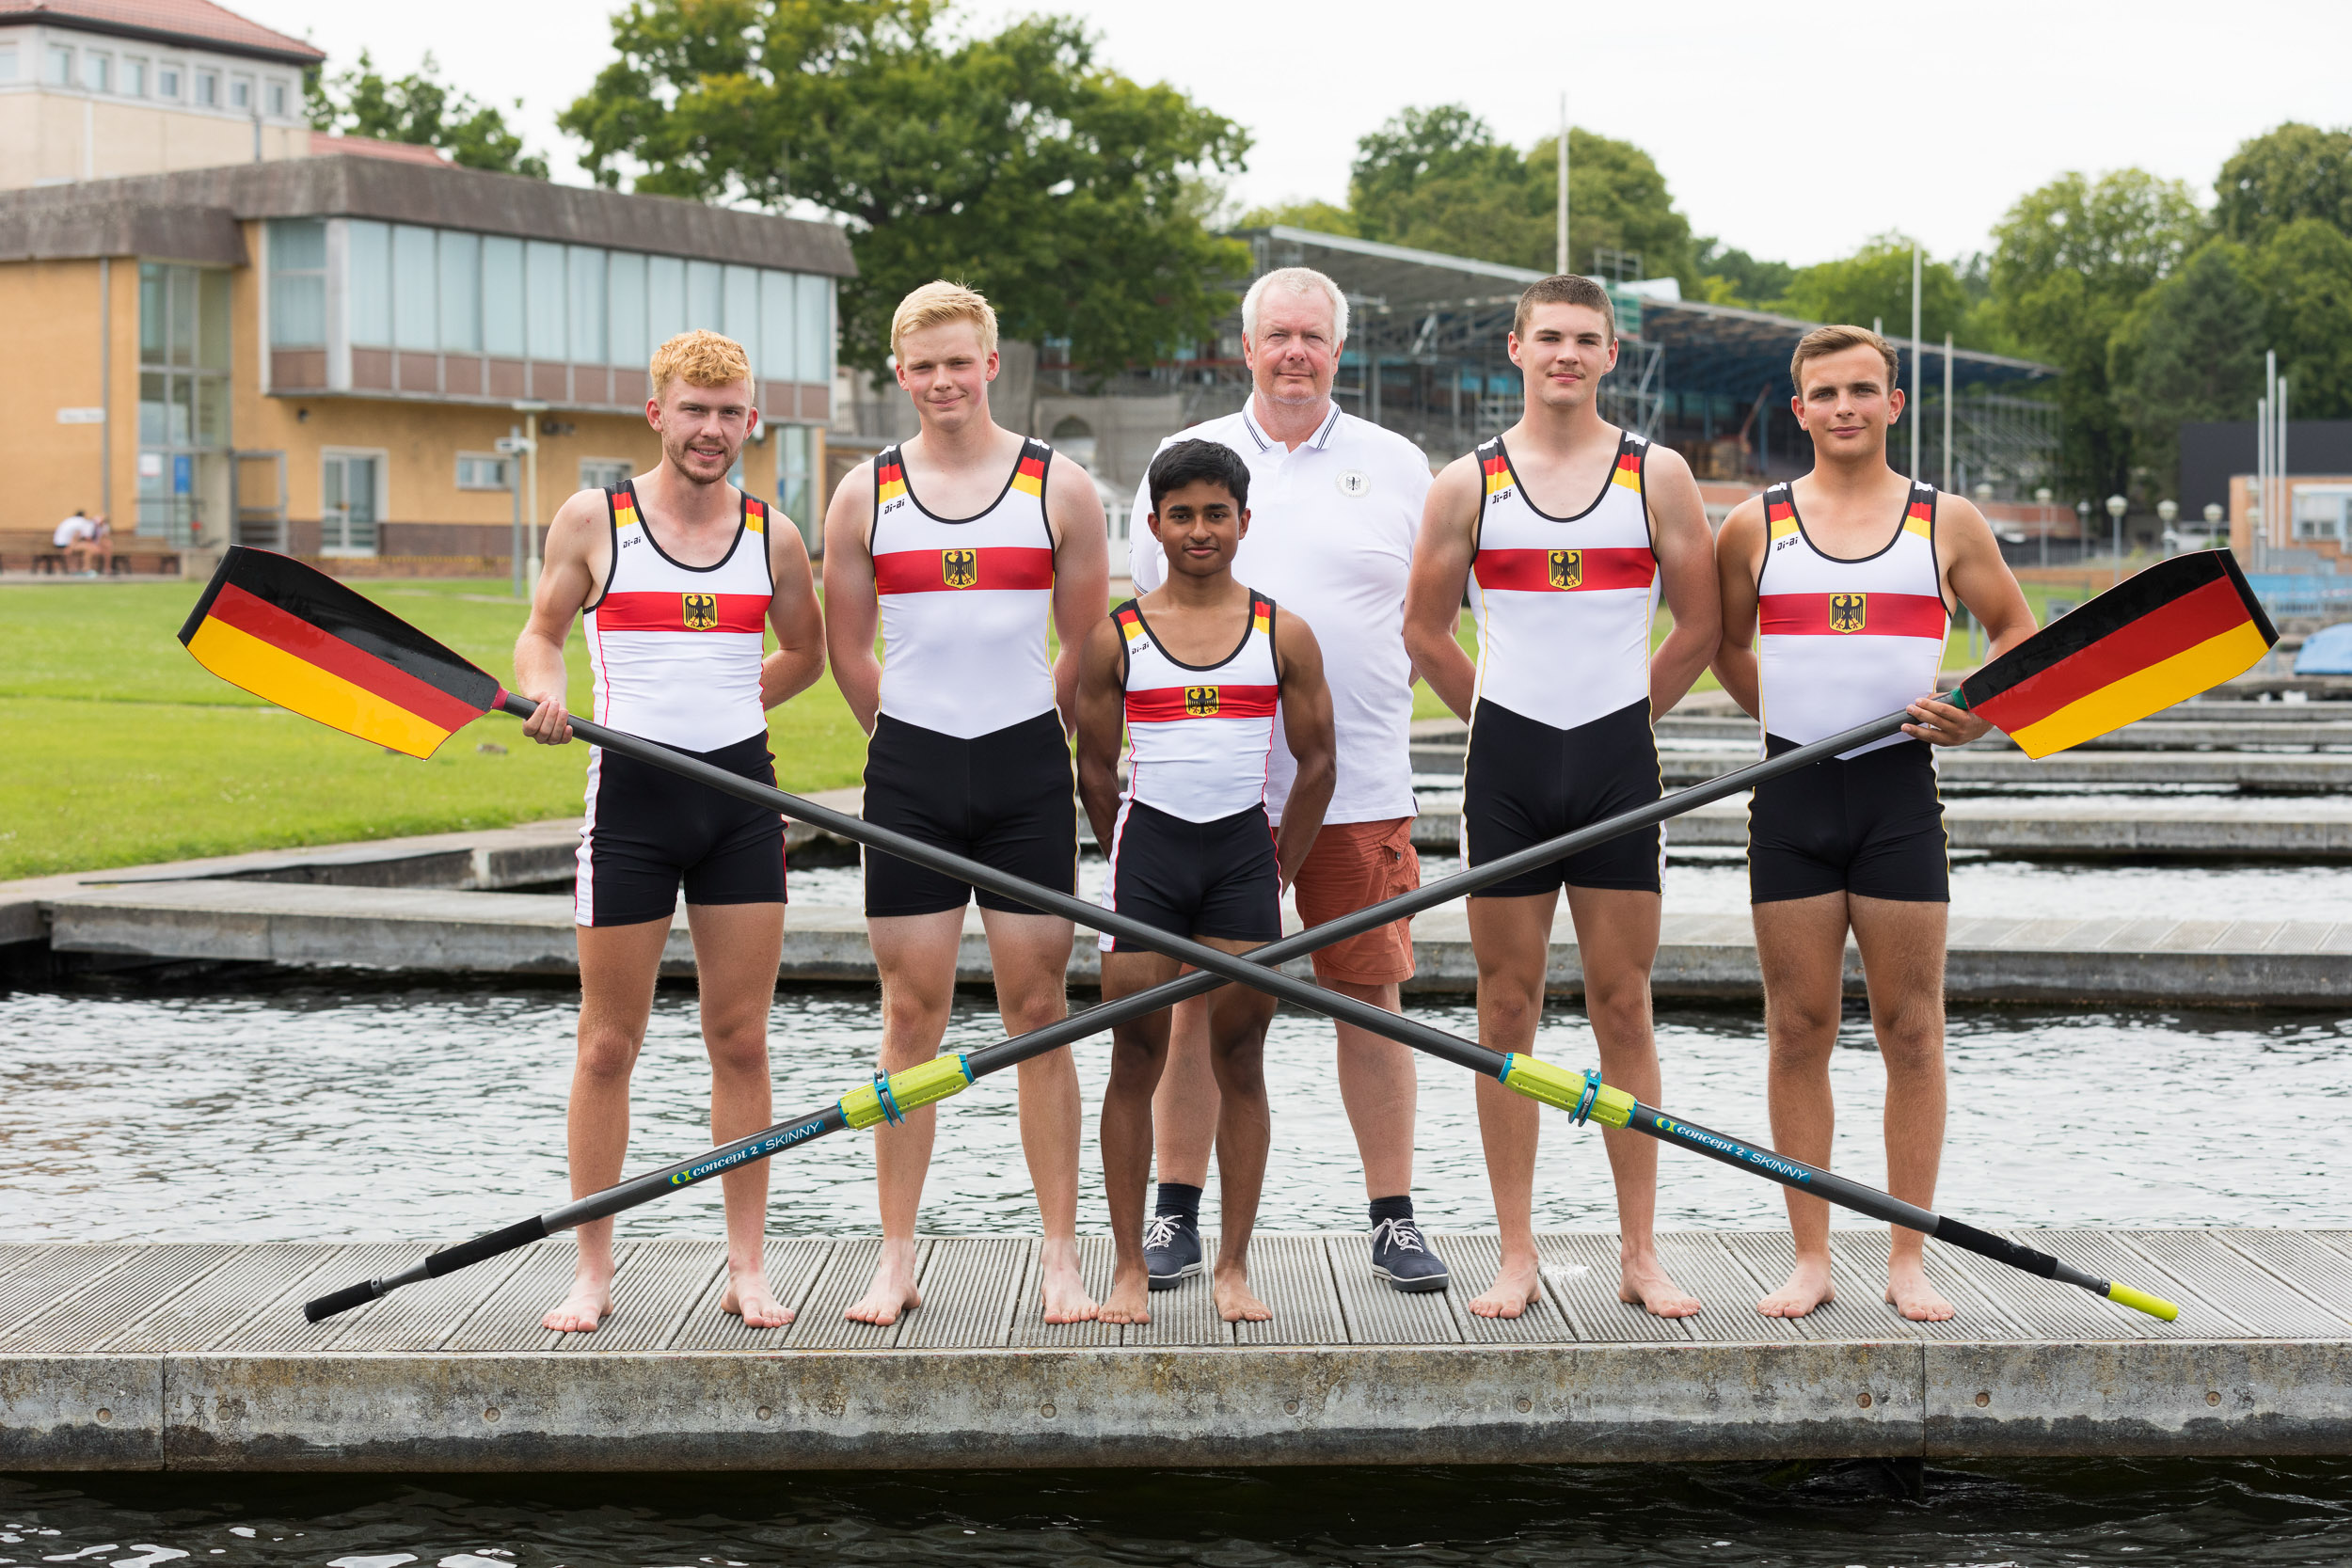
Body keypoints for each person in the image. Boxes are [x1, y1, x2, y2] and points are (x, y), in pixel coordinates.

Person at [1404, 275, 1720, 1322]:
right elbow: (1425, 629)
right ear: (1515, 347)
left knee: (1624, 1005)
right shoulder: (1467, 483)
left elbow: (1699, 628)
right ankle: (1515, 1250)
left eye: (1586, 339)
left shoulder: (1656, 475)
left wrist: (1629, 720)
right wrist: (1493, 715)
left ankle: (1640, 1249)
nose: (1566, 354)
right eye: (1550, 337)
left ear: (1612, 354)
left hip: (1616, 770)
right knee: (1507, 1007)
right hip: (1508, 771)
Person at [1127, 266, 1449, 1295]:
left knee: (1369, 994)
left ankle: (1392, 1216)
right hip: (1207, 788)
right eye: (1277, 335)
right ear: (1247, 345)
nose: (1294, 352)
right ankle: (1175, 1210)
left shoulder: (1399, 466)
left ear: (1338, 347)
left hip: (1355, 788)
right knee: (1191, 1003)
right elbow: (1139, 624)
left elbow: (1445, 617)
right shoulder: (1192, 466)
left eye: (1312, 335)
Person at [1710, 324, 2035, 1323]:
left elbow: (2014, 631)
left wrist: (1976, 710)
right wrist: (1788, 717)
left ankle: (1907, 1254)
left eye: (1863, 390)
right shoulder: (1753, 525)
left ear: (1894, 405)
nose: (1844, 406)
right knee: (1798, 1028)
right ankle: (1809, 1256)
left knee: (1910, 1031)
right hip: (1793, 796)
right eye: (1825, 393)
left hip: (1898, 795)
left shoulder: (1947, 521)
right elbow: (1724, 645)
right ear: (1797, 408)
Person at [514, 329, 826, 1334]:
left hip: (740, 802)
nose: (712, 428)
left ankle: (746, 1265)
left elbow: (804, 655)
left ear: (751, 421)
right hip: (631, 809)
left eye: (730, 411)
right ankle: (593, 1269)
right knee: (608, 1044)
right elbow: (540, 634)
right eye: (694, 409)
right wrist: (548, 694)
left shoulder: (773, 533)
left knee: (740, 1038)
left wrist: (734, 703)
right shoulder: (594, 519)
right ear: (658, 413)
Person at [821, 281, 1110, 1326]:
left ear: (992, 364)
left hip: (1026, 768)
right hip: (912, 775)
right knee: (912, 1015)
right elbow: (849, 647)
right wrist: (898, 744)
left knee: (1039, 1011)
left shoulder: (1058, 487)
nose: (943, 380)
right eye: (923, 365)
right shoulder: (864, 493)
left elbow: (1083, 645)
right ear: (902, 375)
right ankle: (896, 1253)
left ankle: (1060, 1256)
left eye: (960, 360)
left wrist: (1043, 742)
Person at [1077, 439, 1336, 1325]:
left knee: (1240, 1058)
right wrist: (1121, 857)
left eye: (1215, 513)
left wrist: (1279, 872)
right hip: (1147, 859)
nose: (1198, 529)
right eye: (1180, 513)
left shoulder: (1281, 633)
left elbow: (1318, 764)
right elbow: (1095, 770)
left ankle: (1232, 1267)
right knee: (1133, 1058)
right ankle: (1126, 1271)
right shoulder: (1117, 635)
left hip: (1239, 865)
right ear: (1153, 524)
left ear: (1243, 523)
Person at [53, 510, 99, 574]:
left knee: (84, 548)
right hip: (66, 544)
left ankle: (75, 569)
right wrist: (70, 548)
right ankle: (86, 569)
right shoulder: (81, 522)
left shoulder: (69, 520)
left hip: (58, 543)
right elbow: (78, 537)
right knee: (89, 548)